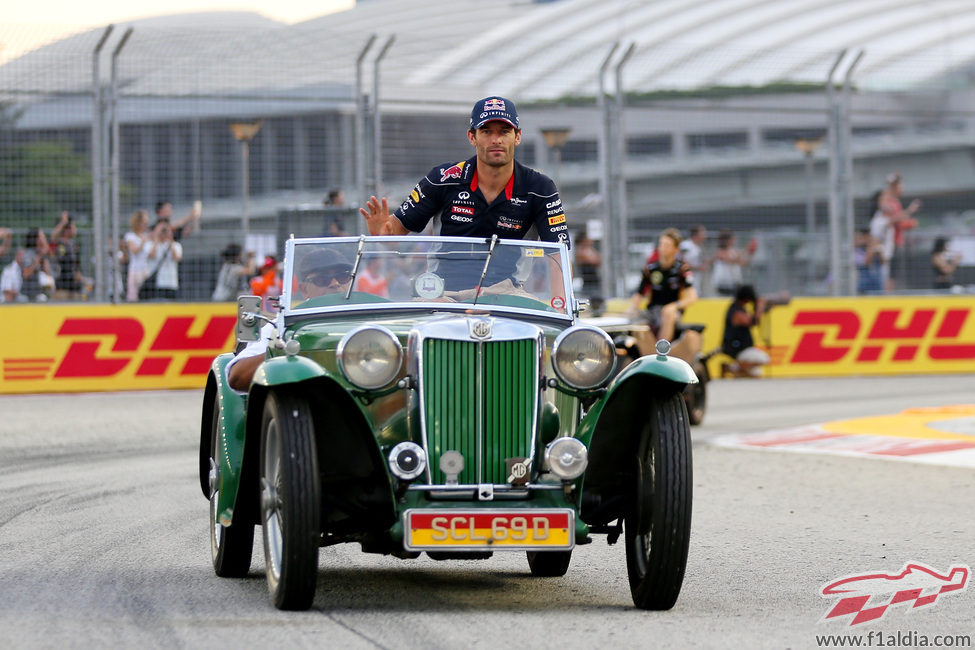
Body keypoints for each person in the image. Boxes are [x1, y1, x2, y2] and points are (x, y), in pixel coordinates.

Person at [359, 96, 568, 250]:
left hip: (509, 294)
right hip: (444, 293)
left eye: (504, 131)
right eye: (486, 132)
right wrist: (384, 235)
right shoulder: (443, 178)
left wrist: (560, 307)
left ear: (518, 137)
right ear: (472, 137)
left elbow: (558, 255)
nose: (496, 140)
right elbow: (395, 232)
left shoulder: (540, 188)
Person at [226, 248, 352, 391]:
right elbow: (237, 377)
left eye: (343, 277)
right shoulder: (283, 327)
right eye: (322, 279)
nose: (335, 283)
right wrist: (291, 352)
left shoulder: (371, 321)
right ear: (304, 289)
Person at [626, 228, 700, 362]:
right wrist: (631, 310)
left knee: (667, 313)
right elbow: (639, 294)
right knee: (634, 322)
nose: (662, 248)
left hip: (672, 314)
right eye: (661, 244)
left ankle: (661, 353)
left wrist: (673, 306)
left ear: (675, 249)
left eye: (667, 245)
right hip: (652, 311)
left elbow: (692, 297)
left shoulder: (682, 269)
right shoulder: (651, 268)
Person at [872, 173, 920, 292]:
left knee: (891, 273)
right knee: (887, 272)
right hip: (889, 243)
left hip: (894, 242)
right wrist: (910, 216)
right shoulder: (888, 202)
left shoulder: (893, 202)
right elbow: (896, 221)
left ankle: (887, 294)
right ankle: (885, 295)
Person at [721, 284, 772, 378]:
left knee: (756, 374)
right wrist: (760, 307)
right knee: (765, 359)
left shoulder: (738, 308)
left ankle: (737, 371)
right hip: (739, 350)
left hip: (743, 349)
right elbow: (752, 321)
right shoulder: (736, 311)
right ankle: (732, 368)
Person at [51, 212, 91, 301]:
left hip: (75, 289)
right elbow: (53, 236)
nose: (75, 229)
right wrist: (63, 222)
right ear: (67, 229)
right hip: (61, 288)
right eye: (73, 226)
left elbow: (76, 268)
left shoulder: (74, 246)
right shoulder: (58, 244)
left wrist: (84, 280)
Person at [142, 219, 183, 300]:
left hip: (171, 283)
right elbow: (151, 255)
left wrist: (170, 239)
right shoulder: (149, 245)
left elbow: (177, 257)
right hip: (157, 283)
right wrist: (156, 238)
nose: (163, 232)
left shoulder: (176, 245)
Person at [710, 229, 754, 297]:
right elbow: (731, 260)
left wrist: (751, 254)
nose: (734, 241)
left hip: (734, 282)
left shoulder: (734, 251)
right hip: (723, 283)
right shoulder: (720, 252)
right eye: (732, 239)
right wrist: (746, 249)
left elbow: (743, 263)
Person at [124, 209, 152, 301]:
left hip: (146, 269)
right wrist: (143, 242)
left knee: (147, 295)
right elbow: (134, 251)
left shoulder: (148, 236)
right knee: (133, 296)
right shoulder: (130, 236)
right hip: (135, 270)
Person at [21, 227, 55, 301]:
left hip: (40, 293)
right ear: (36, 239)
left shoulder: (43, 255)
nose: (44, 239)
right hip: (28, 295)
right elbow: (25, 274)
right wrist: (36, 263)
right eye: (41, 236)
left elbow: (48, 272)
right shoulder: (29, 254)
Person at [854, 228, 884, 294]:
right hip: (864, 284)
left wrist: (879, 252)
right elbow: (866, 262)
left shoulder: (874, 247)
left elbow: (883, 262)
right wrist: (871, 249)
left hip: (877, 282)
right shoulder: (857, 251)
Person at [573, 232, 602, 299]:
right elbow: (594, 260)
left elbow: (598, 260)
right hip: (588, 280)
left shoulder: (589, 250)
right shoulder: (581, 252)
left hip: (593, 279)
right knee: (589, 296)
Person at [679, 225, 709, 290]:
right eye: (703, 234)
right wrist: (698, 268)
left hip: (696, 279)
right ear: (696, 235)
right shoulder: (686, 245)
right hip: (686, 279)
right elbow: (681, 261)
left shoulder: (699, 247)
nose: (705, 236)